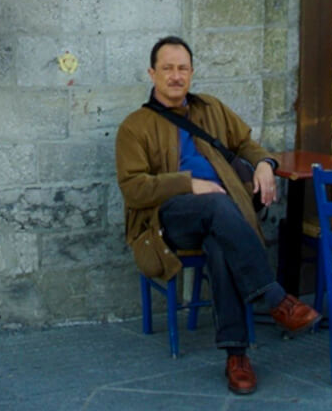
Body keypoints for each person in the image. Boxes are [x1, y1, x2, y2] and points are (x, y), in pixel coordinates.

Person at [115, 35, 319, 395]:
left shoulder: (211, 108)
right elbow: (133, 188)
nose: (175, 76)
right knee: (216, 206)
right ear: (152, 73)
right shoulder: (135, 126)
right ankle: (275, 298)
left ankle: (236, 357)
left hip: (220, 217)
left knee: (220, 240)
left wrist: (265, 165)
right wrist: (188, 184)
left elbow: (246, 143)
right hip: (170, 219)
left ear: (192, 73)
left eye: (182, 69)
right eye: (167, 69)